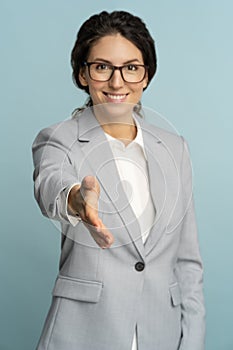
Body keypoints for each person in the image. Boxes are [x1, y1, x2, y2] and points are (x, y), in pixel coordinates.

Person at [32, 10, 205, 350]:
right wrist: (76, 199)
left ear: (146, 76)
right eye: (102, 67)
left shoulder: (174, 148)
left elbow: (187, 261)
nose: (116, 82)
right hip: (82, 334)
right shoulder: (59, 138)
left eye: (130, 67)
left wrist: (193, 340)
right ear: (83, 74)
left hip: (162, 335)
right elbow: (50, 183)